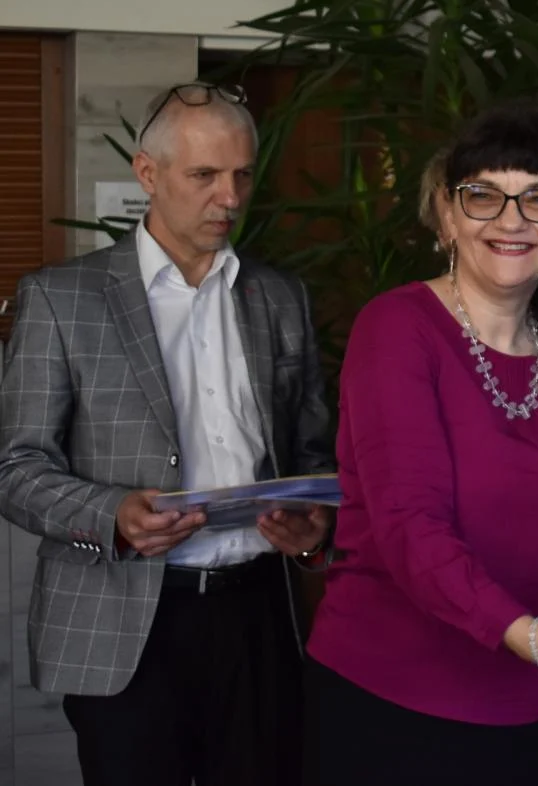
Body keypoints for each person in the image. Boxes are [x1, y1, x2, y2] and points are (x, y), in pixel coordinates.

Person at [303, 102, 538, 785]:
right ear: (447, 214)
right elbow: (410, 528)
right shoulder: (397, 328)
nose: (511, 220)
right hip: (398, 705)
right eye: (483, 196)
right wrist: (530, 636)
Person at [0, 81, 335, 786]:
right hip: (123, 619)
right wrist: (110, 513)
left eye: (243, 174)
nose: (230, 197)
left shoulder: (280, 297)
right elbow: (16, 466)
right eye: (204, 175)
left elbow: (309, 450)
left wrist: (313, 528)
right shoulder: (61, 299)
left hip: (257, 614)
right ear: (147, 173)